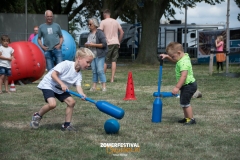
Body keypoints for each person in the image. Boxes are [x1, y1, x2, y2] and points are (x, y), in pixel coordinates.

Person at [30, 48, 95, 131]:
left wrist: (81, 93)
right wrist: (62, 84)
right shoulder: (66, 64)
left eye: (90, 63)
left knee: (71, 102)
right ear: (79, 58)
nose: (89, 65)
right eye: (87, 62)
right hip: (49, 84)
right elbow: (53, 75)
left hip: (61, 88)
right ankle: (37, 115)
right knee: (52, 104)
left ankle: (66, 125)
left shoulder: (79, 75)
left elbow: (78, 86)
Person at [160, 42, 197, 125]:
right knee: (183, 102)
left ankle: (191, 119)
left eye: (173, 56)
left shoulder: (184, 63)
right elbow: (174, 60)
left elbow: (183, 76)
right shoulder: (182, 57)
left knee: (185, 103)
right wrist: (167, 57)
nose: (173, 58)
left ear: (179, 53)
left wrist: (177, 87)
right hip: (186, 85)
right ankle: (187, 118)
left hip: (189, 85)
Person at [99, 9, 124, 82]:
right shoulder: (116, 21)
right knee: (114, 60)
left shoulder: (103, 22)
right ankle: (112, 78)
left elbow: (100, 32)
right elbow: (122, 32)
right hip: (116, 42)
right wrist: (119, 41)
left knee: (105, 61)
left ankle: (102, 78)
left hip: (108, 43)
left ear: (104, 14)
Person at [84, 17, 108, 92]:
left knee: (100, 70)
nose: (89, 25)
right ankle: (94, 86)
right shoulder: (89, 34)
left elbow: (104, 44)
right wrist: (87, 45)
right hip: (92, 55)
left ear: (94, 25)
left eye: (90, 24)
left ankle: (104, 86)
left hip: (100, 54)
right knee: (94, 71)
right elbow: (88, 43)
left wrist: (93, 45)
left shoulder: (100, 33)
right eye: (88, 24)